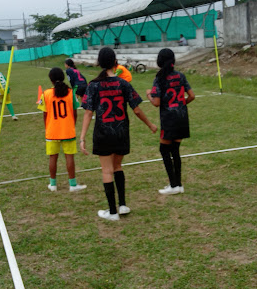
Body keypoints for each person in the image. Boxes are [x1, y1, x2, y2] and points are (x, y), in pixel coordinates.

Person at [80, 47, 157, 221]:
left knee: (107, 171)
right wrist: (150, 124)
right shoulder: (123, 84)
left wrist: (82, 137)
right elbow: (136, 109)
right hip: (121, 132)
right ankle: (122, 205)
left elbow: (88, 112)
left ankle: (112, 212)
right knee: (117, 167)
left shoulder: (93, 85)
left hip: (103, 133)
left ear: (99, 63)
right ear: (115, 62)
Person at [146, 48, 195, 195]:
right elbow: (192, 96)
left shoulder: (159, 78)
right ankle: (178, 184)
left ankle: (174, 185)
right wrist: (181, 104)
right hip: (182, 117)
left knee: (164, 150)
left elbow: (156, 103)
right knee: (175, 150)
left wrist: (149, 95)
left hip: (169, 119)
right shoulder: (180, 76)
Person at [38, 67, 87, 193]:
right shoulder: (71, 93)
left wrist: (47, 127)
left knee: (52, 157)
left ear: (51, 80)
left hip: (52, 131)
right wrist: (72, 125)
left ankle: (53, 184)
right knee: (69, 157)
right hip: (67, 130)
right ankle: (72, 185)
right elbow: (74, 112)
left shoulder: (46, 93)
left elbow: (45, 114)